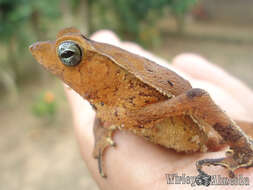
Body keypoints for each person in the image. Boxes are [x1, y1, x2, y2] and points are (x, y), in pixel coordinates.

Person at [64, 30, 253, 189]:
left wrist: (242, 149)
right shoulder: (106, 101)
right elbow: (101, 111)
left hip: (204, 134)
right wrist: (100, 136)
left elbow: (198, 99)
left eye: (68, 54)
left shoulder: (136, 108)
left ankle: (246, 152)